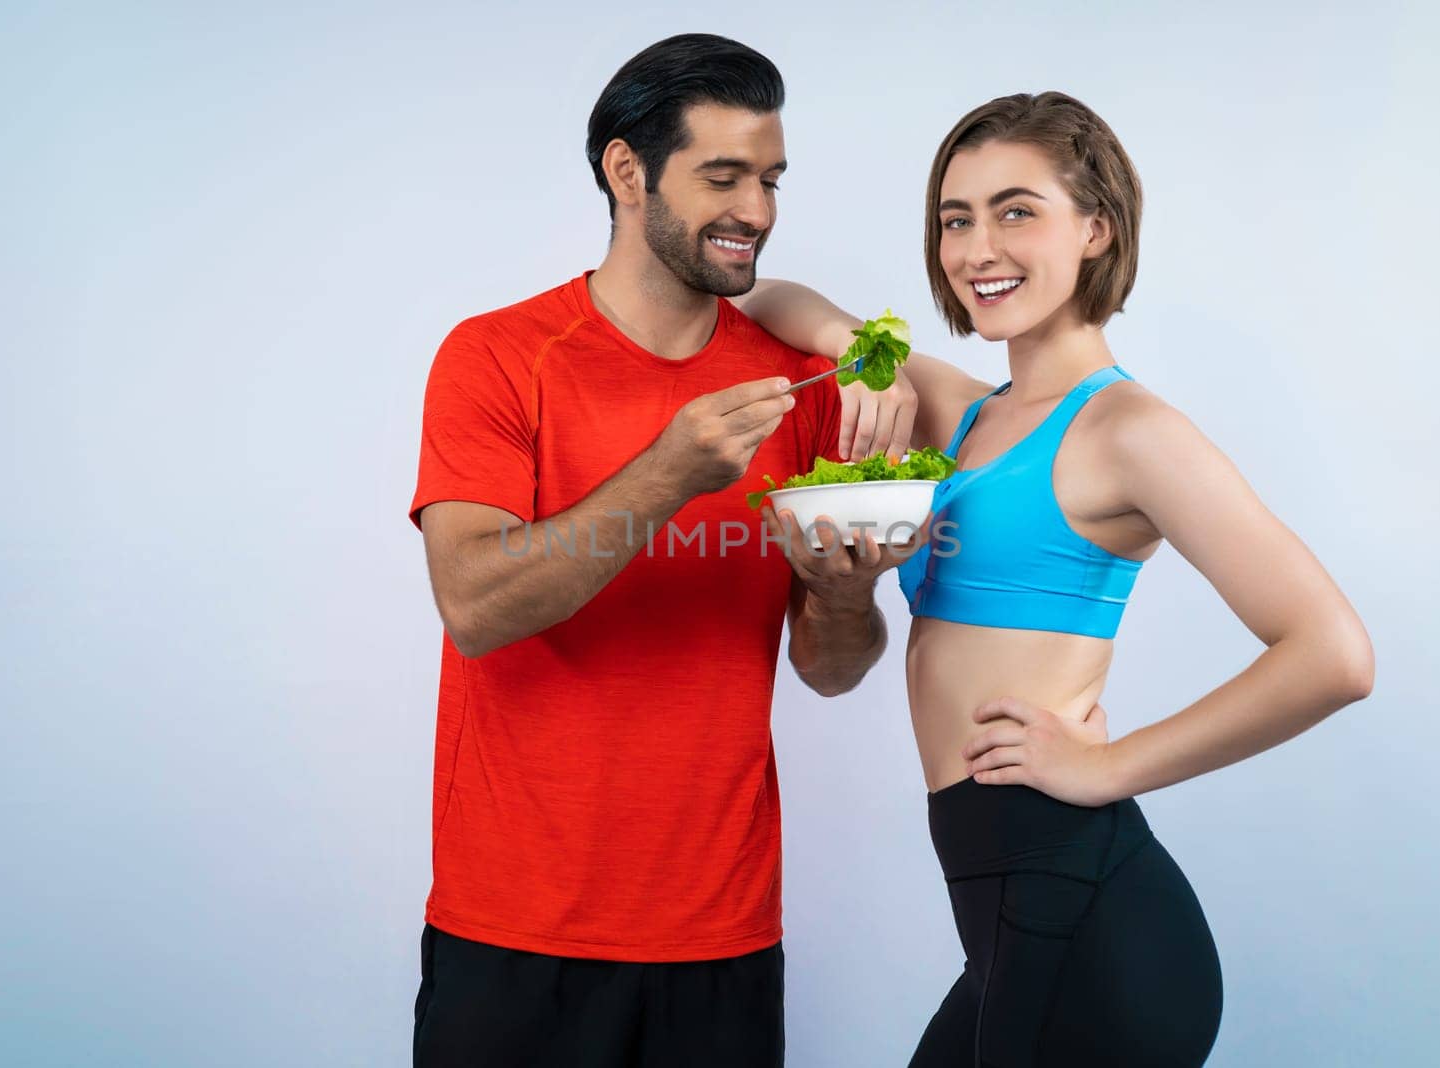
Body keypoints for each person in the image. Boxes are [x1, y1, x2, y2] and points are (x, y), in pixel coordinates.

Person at [737, 91, 1375, 1066]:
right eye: (956, 218)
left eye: (1015, 210)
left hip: (1085, 924)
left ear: (1095, 228)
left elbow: (1333, 654)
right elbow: (761, 298)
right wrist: (857, 358)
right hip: (1009, 920)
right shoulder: (960, 414)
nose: (977, 246)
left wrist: (1108, 767)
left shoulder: (1129, 433)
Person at [406, 34, 920, 1067]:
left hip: (720, 936)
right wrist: (667, 473)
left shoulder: (799, 385)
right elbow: (473, 603)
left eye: (769, 179)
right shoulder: (497, 358)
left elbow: (830, 669)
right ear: (627, 173)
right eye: (722, 177)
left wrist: (842, 596)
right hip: (514, 935)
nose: (757, 212)